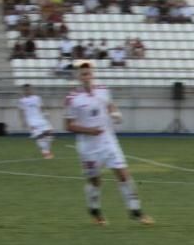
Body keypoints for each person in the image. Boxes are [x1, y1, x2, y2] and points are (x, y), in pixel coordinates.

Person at [64, 63, 154, 226]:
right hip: (88, 147)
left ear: (92, 74)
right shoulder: (72, 98)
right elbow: (68, 125)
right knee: (95, 181)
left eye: (88, 73)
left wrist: (115, 113)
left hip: (108, 141)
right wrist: (89, 131)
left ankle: (136, 211)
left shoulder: (103, 90)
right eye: (83, 74)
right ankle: (95, 210)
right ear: (78, 77)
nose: (86, 77)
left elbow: (110, 104)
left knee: (123, 174)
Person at [17, 84, 54, 159]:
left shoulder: (37, 98)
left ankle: (46, 150)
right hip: (31, 120)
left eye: (29, 89)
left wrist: (45, 114)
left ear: (32, 89)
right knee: (39, 136)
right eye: (26, 90)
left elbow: (41, 107)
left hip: (40, 118)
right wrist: (23, 121)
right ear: (24, 91)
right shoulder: (22, 100)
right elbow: (21, 111)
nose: (28, 91)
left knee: (49, 133)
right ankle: (45, 152)